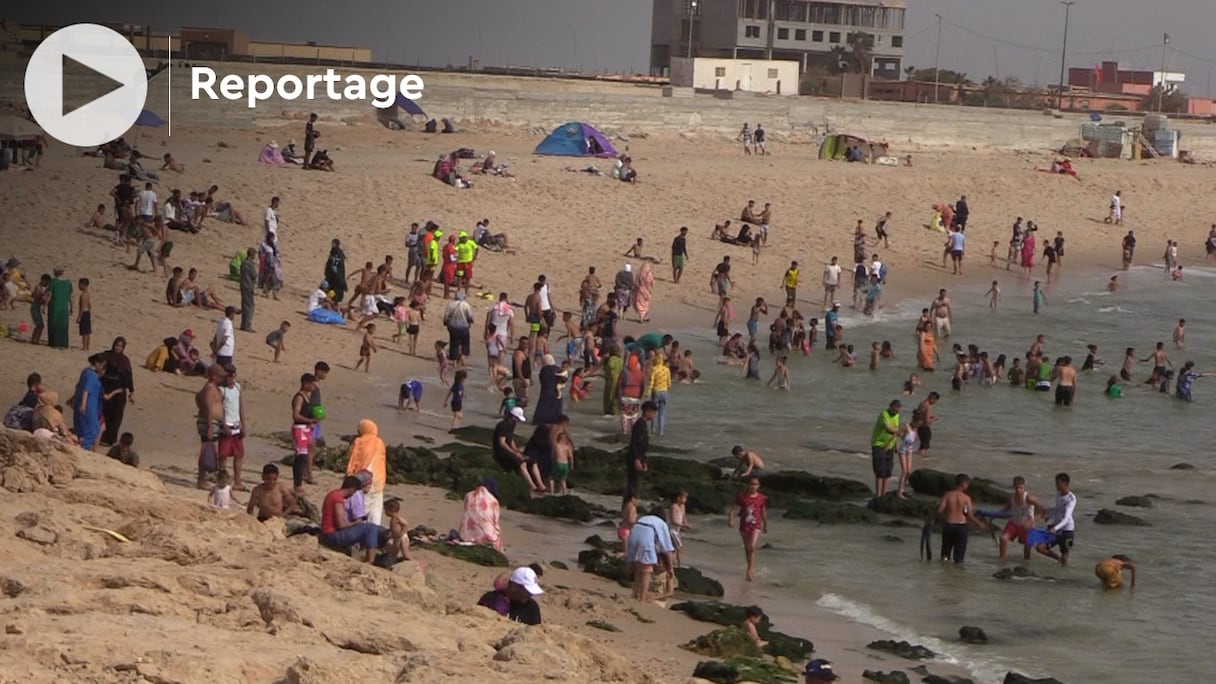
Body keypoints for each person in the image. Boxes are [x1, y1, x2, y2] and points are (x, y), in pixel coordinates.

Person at [319, 476, 381, 563]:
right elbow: (341, 525)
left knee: (366, 528)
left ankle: (367, 555)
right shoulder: (338, 499)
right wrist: (356, 522)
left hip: (328, 533)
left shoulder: (333, 494)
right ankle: (370, 560)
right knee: (371, 527)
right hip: (332, 535)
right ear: (352, 489)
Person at [625, 509, 675, 602]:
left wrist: (629, 560)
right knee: (646, 570)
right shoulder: (662, 523)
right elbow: (667, 547)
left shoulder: (644, 518)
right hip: (645, 539)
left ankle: (634, 593)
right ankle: (642, 598)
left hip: (633, 534)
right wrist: (670, 567)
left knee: (638, 569)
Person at [937, 473, 987, 564]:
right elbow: (969, 515)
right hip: (961, 527)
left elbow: (939, 510)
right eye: (967, 484)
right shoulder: (966, 498)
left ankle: (943, 574)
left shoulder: (947, 495)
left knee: (945, 554)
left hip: (949, 526)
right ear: (964, 484)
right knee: (959, 558)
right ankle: (957, 575)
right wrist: (979, 523)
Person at [345, 419, 387, 525]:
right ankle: (374, 529)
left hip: (363, 478)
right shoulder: (380, 442)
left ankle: (358, 529)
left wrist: (349, 476)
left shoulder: (359, 441)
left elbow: (353, 460)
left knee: (361, 505)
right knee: (375, 508)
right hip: (378, 479)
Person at [492, 407, 545, 491]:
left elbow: (510, 439)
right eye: (517, 419)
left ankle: (541, 485)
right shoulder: (503, 425)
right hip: (502, 452)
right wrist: (514, 453)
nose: (518, 421)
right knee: (522, 463)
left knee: (533, 462)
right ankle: (533, 486)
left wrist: (517, 450)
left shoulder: (512, 424)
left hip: (510, 450)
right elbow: (502, 443)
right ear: (512, 417)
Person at [728, 477, 768, 581]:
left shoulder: (761, 498)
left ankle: (750, 570)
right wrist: (730, 519)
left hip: (756, 525)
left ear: (758, 486)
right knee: (747, 548)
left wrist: (765, 524)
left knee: (752, 547)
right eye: (751, 484)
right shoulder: (742, 497)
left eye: (755, 484)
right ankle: (749, 568)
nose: (753, 486)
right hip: (744, 525)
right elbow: (733, 508)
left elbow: (763, 512)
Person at [98, 337, 135, 447]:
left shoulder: (125, 361)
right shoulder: (106, 355)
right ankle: (100, 436)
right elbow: (97, 366)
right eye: (117, 345)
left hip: (119, 393)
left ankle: (110, 439)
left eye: (120, 346)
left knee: (116, 417)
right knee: (104, 415)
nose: (118, 348)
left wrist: (132, 392)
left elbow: (129, 377)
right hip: (105, 390)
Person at [998, 476, 1045, 561]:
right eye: (1016, 488)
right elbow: (1005, 509)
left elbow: (1042, 510)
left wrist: (1032, 521)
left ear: (1024, 487)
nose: (1018, 490)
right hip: (1014, 522)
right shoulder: (1012, 497)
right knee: (1003, 539)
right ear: (1013, 487)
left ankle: (1026, 565)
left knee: (1027, 547)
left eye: (1020, 488)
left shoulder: (1028, 498)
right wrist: (993, 514)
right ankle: (1002, 560)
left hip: (1027, 526)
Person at [478, 566, 544, 625]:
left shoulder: (532, 607)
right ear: (513, 586)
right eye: (527, 590)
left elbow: (536, 633)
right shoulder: (490, 599)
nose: (530, 594)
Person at [1035, 472, 1076, 566]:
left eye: (1058, 483)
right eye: (1056, 483)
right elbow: (1058, 509)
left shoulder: (1071, 499)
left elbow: (1067, 518)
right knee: (1040, 547)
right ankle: (1057, 558)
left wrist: (1055, 528)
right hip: (1056, 527)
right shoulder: (1058, 494)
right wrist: (1048, 515)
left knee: (1065, 554)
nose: (1056, 486)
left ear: (1065, 483)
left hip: (1067, 530)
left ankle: (1064, 572)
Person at [217, 364, 247, 490]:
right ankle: (222, 479)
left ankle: (237, 481)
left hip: (236, 425)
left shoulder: (237, 387)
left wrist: (243, 424)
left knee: (239, 454)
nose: (230, 379)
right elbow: (219, 409)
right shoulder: (221, 390)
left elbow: (240, 407)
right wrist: (224, 425)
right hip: (227, 425)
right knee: (223, 455)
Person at [71, 354, 107, 451]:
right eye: (102, 365)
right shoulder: (92, 375)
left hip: (84, 404)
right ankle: (83, 449)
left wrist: (74, 399)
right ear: (97, 364)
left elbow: (78, 386)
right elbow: (86, 390)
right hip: (88, 406)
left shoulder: (85, 372)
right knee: (92, 430)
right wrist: (83, 404)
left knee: (81, 430)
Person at [459, 478, 503, 551]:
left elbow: (466, 514)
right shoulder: (494, 501)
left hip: (466, 537)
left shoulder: (468, 495)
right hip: (488, 538)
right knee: (496, 534)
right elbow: (495, 524)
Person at [625, 401, 657, 497]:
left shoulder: (643, 424)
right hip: (635, 459)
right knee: (633, 484)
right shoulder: (640, 424)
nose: (655, 415)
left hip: (639, 458)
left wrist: (643, 461)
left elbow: (642, 446)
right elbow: (634, 443)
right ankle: (629, 506)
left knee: (635, 483)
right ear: (647, 411)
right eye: (654, 413)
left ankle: (631, 503)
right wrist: (636, 460)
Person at [870, 400, 900, 496]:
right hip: (879, 445)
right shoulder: (884, 414)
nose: (895, 412)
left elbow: (895, 431)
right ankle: (878, 495)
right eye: (894, 409)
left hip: (889, 446)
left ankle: (884, 493)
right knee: (880, 472)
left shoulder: (897, 415)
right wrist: (900, 432)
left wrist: (896, 445)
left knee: (887, 471)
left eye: (897, 410)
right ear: (890, 406)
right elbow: (889, 429)